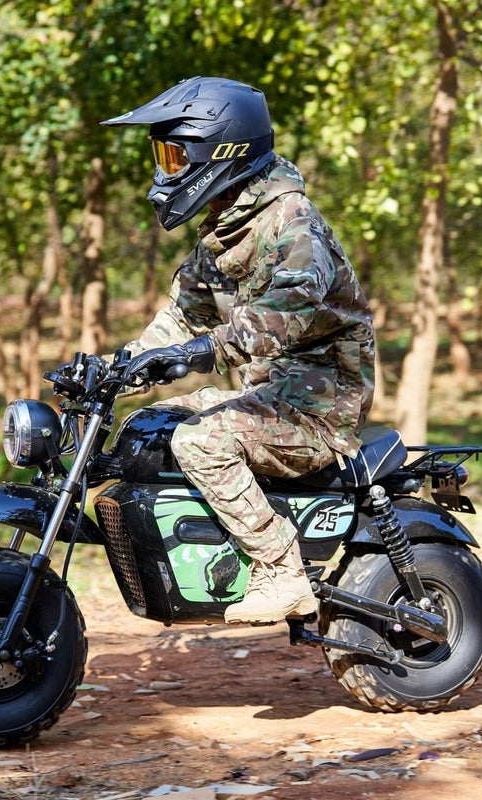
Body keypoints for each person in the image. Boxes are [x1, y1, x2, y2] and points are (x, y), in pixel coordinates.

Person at [101, 77, 375, 625]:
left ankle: (281, 568)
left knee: (201, 441)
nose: (166, 171)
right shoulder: (226, 226)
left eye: (176, 156)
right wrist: (118, 367)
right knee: (150, 427)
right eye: (163, 156)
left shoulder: (292, 223)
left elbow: (283, 318)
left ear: (220, 151)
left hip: (319, 409)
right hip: (271, 396)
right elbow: (185, 314)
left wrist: (201, 352)